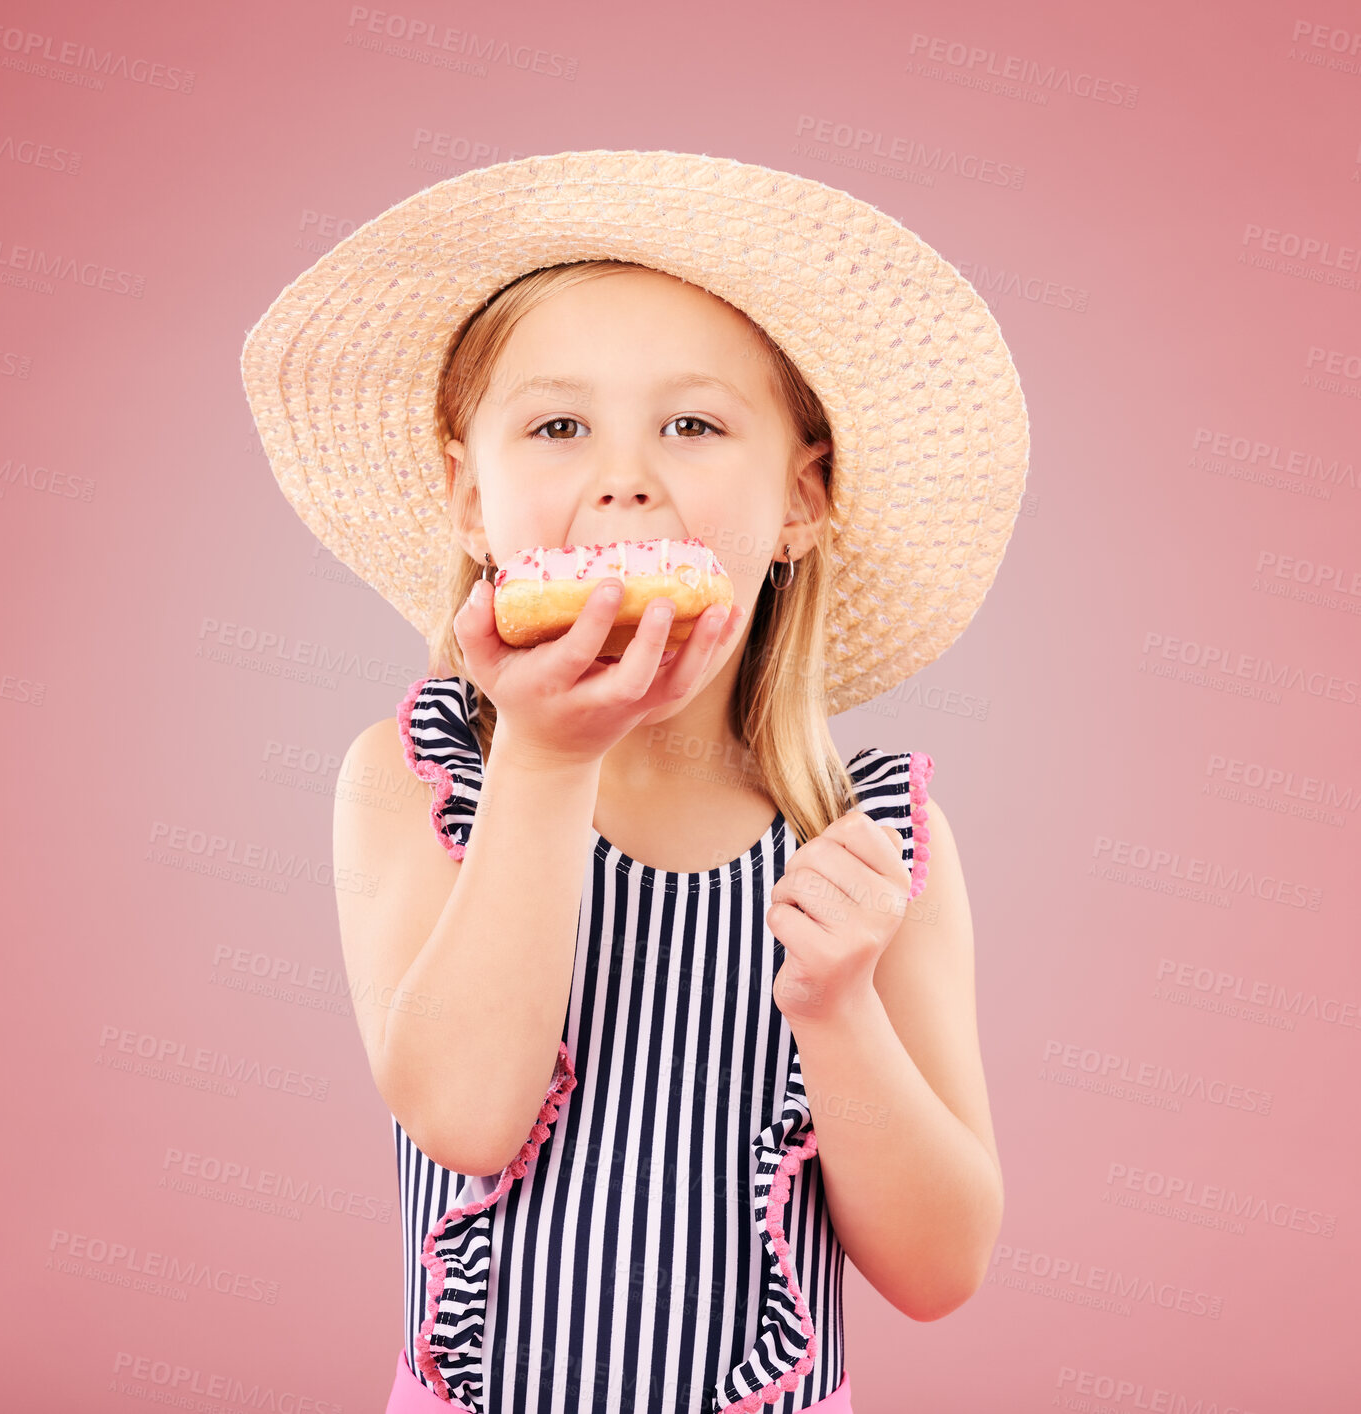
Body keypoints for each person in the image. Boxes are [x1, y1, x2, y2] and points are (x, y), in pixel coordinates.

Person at [241, 149, 1029, 1414]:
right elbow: (462, 1113)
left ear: (803, 500)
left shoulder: (877, 840)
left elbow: (940, 1267)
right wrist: (547, 757)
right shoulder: (417, 775)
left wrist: (837, 1011)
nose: (624, 476)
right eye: (558, 425)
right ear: (464, 494)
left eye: (694, 424)